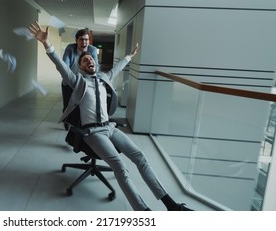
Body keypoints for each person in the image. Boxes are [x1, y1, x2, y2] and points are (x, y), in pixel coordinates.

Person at [29, 21, 193, 211]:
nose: (89, 61)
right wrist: (46, 45)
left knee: (140, 157)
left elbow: (118, 68)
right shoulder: (77, 81)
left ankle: (171, 205)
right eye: (85, 61)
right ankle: (143, 211)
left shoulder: (104, 78)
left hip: (110, 128)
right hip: (93, 133)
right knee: (120, 166)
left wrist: (130, 56)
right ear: (80, 67)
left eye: (91, 59)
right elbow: (60, 65)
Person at [61, 28, 99, 114]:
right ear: (76, 40)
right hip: (70, 80)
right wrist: (63, 69)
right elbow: (65, 64)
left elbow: (96, 66)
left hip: (85, 82)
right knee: (68, 105)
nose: (84, 42)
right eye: (81, 39)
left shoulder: (92, 49)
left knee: (82, 106)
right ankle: (67, 123)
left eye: (86, 39)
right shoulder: (70, 48)